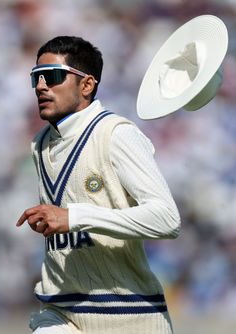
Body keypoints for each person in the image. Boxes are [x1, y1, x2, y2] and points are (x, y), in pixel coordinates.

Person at [17, 36, 181, 334]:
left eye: (52, 77)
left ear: (87, 85)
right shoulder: (39, 144)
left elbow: (167, 219)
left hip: (131, 316)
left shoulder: (116, 134)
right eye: (36, 78)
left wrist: (75, 218)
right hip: (61, 312)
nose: (41, 86)